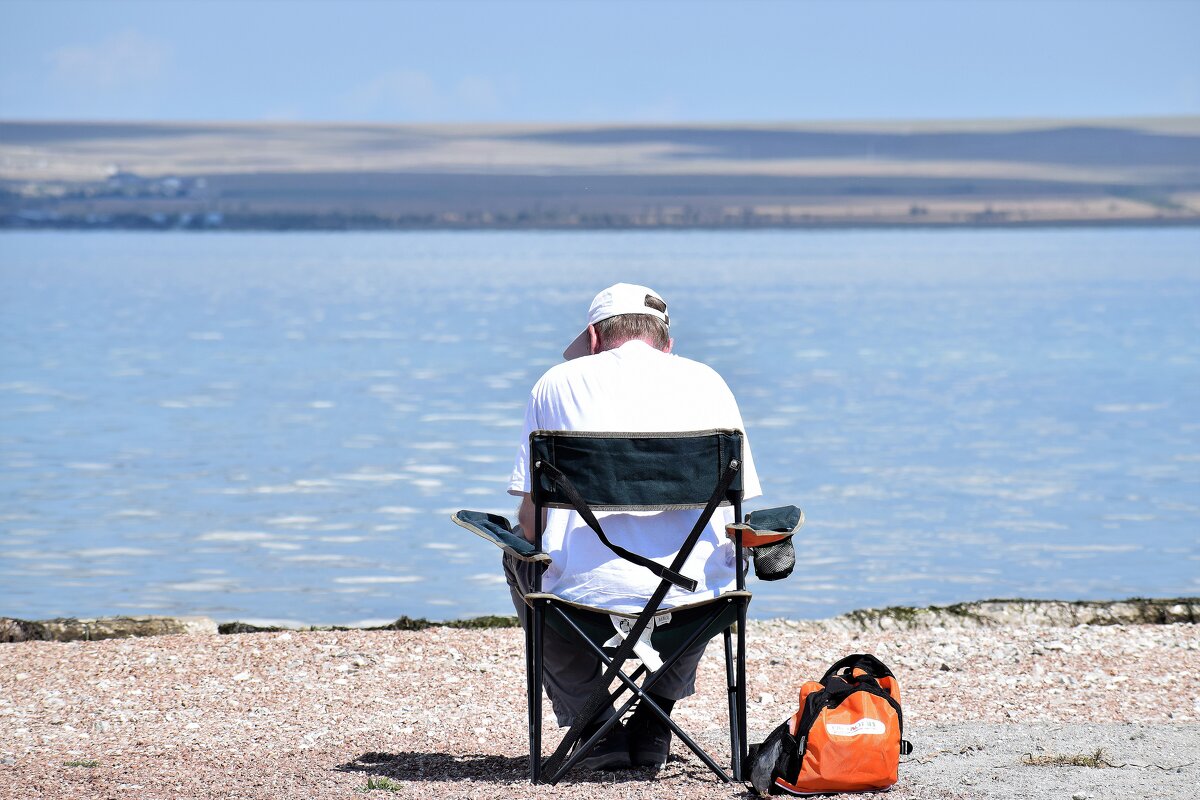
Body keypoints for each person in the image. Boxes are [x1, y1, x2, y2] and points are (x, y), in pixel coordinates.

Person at [504, 282, 761, 770]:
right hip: (695, 599)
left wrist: (523, 541)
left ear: (594, 339)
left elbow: (532, 519)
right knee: (720, 561)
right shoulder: (709, 382)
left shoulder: (556, 384)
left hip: (579, 598)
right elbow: (737, 506)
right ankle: (655, 716)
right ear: (666, 343)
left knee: (520, 553)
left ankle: (595, 724)